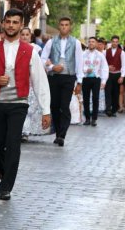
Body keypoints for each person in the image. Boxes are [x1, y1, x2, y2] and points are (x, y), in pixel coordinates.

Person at [0, 9, 50, 200]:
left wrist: (46, 110)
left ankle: (6, 186)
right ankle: (2, 172)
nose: (11, 25)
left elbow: (40, 81)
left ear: (21, 25)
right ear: (3, 23)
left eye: (15, 22)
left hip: (19, 103)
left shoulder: (30, 51)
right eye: (8, 22)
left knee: (13, 143)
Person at [41, 17, 83, 147]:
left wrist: (79, 82)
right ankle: (58, 132)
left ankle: (62, 135)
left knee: (64, 106)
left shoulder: (76, 43)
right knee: (54, 105)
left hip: (68, 77)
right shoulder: (51, 42)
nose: (64, 27)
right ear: (59, 26)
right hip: (54, 77)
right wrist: (52, 67)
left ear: (70, 27)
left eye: (66, 25)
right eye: (62, 25)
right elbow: (42, 59)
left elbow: (79, 63)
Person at [19, 28, 50, 139]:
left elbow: (41, 63)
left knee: (30, 110)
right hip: (21, 82)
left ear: (30, 36)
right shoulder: (15, 47)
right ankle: (21, 130)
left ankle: (26, 131)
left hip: (32, 83)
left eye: (27, 34)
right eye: (22, 34)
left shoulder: (36, 49)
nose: (24, 37)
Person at [80, 37, 108, 127]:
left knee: (95, 98)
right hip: (86, 79)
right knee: (86, 99)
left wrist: (104, 81)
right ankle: (87, 118)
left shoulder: (100, 55)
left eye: (93, 42)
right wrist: (85, 70)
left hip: (96, 79)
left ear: (96, 44)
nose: (91, 43)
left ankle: (94, 119)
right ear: (88, 43)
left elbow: (104, 68)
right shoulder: (83, 54)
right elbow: (79, 66)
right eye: (90, 42)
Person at [105, 35, 125, 117]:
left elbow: (124, 65)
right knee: (108, 91)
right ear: (111, 42)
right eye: (113, 41)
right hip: (108, 74)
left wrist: (122, 76)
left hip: (117, 74)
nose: (115, 43)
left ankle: (114, 110)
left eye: (117, 42)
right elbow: (103, 64)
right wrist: (107, 67)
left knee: (116, 93)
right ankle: (108, 109)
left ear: (118, 42)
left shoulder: (122, 52)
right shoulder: (106, 51)